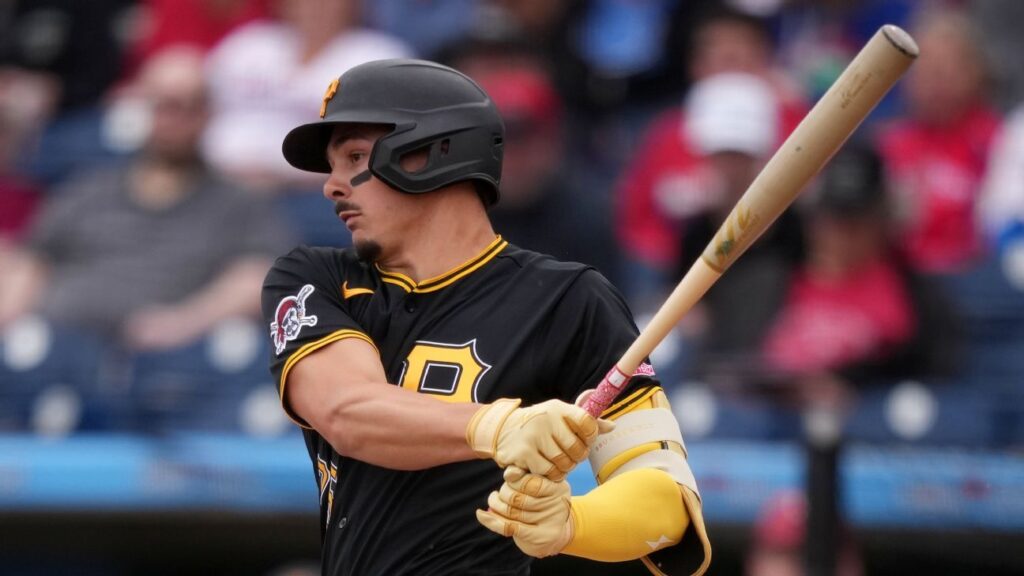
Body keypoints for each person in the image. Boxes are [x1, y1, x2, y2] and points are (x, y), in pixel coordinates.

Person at [262, 59, 711, 575]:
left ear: (433, 152)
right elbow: (347, 411)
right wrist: (499, 426)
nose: (332, 186)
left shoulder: (568, 299)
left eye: (356, 157)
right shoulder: (314, 277)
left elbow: (667, 499)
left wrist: (571, 523)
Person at [0, 47, 290, 350]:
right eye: (162, 105)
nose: (173, 120)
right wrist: (10, 321)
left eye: (188, 106)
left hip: (169, 359)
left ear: (208, 114)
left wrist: (186, 322)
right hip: (57, 340)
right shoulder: (87, 189)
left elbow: (259, 275)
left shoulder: (239, 202)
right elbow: (31, 260)